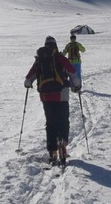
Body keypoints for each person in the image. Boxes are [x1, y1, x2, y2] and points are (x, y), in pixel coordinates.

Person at [24, 36, 81, 166]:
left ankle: (52, 152)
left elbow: (29, 79)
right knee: (63, 120)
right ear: (55, 46)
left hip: (45, 96)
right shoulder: (60, 58)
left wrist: (28, 84)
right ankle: (62, 143)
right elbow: (72, 73)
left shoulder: (39, 60)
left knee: (50, 123)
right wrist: (76, 85)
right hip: (62, 95)